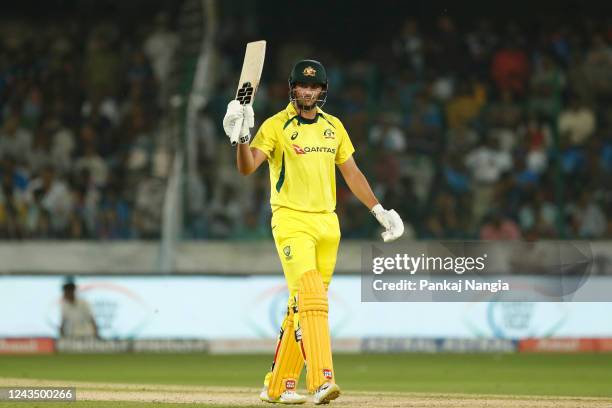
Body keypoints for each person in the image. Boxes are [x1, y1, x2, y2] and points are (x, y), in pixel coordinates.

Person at [223, 60, 404, 405]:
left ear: (322, 91)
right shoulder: (276, 125)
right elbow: (247, 167)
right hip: (291, 221)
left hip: (327, 224)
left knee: (301, 306)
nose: (307, 92)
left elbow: (352, 174)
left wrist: (379, 211)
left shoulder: (334, 127)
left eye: (314, 87)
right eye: (302, 86)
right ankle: (322, 380)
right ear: (293, 88)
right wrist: (241, 138)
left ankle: (277, 386)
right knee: (312, 300)